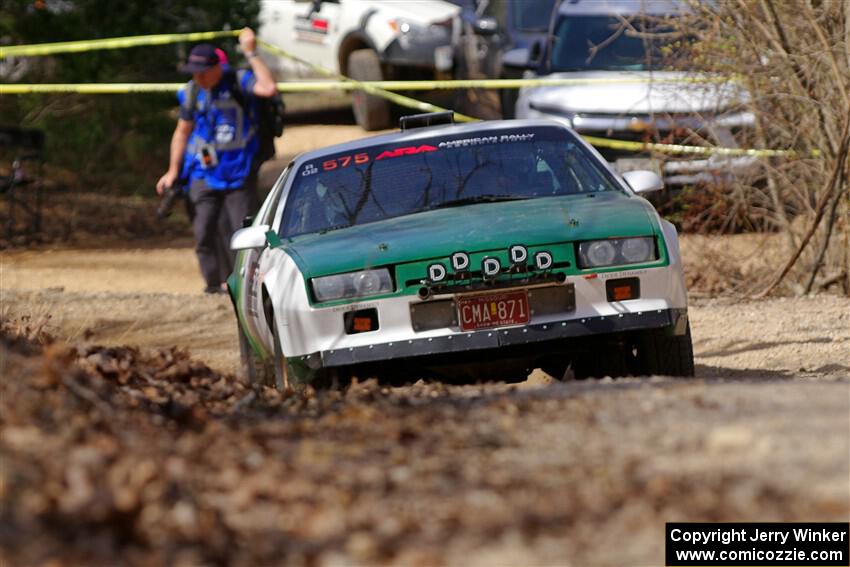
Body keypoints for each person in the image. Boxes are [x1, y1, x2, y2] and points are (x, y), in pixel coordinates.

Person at [156, 28, 277, 294]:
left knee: (245, 236)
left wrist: (251, 52)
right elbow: (182, 131)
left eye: (202, 72)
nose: (197, 77)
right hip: (203, 173)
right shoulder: (191, 92)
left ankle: (249, 287)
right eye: (193, 72)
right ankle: (214, 286)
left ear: (216, 68)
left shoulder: (238, 81)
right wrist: (173, 170)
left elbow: (268, 88)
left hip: (239, 173)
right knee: (203, 233)